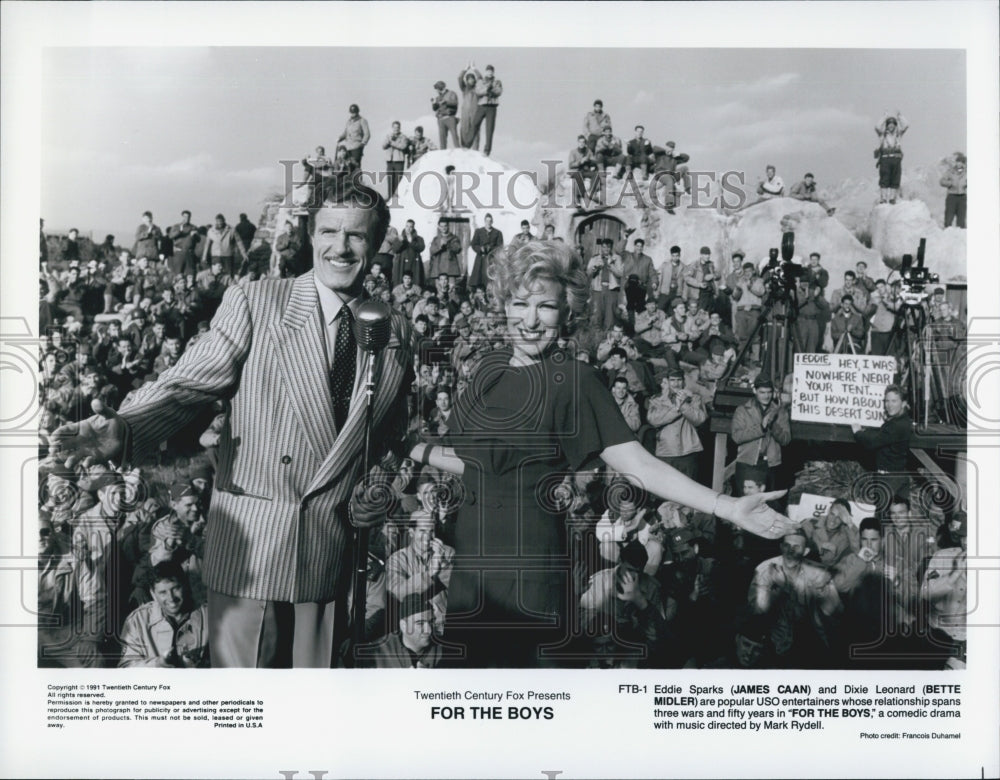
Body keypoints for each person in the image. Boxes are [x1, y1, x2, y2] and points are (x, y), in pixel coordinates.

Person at [50, 175, 413, 668]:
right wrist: (129, 427)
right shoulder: (258, 301)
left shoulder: (394, 329)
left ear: (377, 243)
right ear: (311, 236)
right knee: (244, 720)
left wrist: (378, 490)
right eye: (329, 231)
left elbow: (387, 435)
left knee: (309, 719)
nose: (341, 248)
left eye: (356, 235)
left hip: (328, 559)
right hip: (252, 557)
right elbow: (187, 386)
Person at [406, 240, 796, 667]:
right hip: (471, 575)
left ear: (567, 312)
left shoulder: (573, 380)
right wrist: (414, 448)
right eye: (520, 304)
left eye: (546, 307)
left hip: (530, 576)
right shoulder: (488, 370)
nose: (531, 320)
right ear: (504, 305)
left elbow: (638, 463)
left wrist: (727, 505)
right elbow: (476, 463)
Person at [119, 561, 209, 668]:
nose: (171, 598)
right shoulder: (137, 621)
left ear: (185, 585)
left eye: (175, 588)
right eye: (163, 592)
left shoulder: (207, 615)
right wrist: (158, 665)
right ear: (153, 594)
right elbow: (125, 668)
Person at [385, 511, 454, 635]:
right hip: (415, 630)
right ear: (411, 532)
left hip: (445, 625)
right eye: (422, 531)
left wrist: (443, 564)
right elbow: (398, 593)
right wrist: (429, 574)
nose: (427, 537)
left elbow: (460, 588)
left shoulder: (448, 553)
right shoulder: (397, 559)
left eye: (431, 531)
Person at [850, 384, 912, 511]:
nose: (889, 405)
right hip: (897, 476)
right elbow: (882, 436)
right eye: (887, 401)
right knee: (898, 516)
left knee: (882, 517)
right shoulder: (902, 421)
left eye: (894, 401)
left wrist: (858, 432)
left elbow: (872, 443)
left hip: (890, 479)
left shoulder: (896, 425)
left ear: (904, 403)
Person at [730, 376, 791, 490]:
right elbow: (737, 437)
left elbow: (786, 440)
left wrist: (774, 426)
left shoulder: (780, 412)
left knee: (769, 503)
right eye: (762, 392)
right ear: (754, 391)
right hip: (747, 464)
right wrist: (761, 428)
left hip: (771, 465)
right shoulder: (742, 410)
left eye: (769, 392)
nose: (766, 396)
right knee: (746, 502)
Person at [354, 594, 442, 668]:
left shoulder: (444, 650)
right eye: (420, 623)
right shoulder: (375, 654)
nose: (429, 630)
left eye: (431, 622)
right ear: (403, 625)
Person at [874, 111, 908, 204]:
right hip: (885, 158)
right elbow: (877, 127)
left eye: (893, 124)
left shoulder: (898, 134)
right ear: (887, 125)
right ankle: (883, 198)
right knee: (884, 178)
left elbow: (906, 126)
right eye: (889, 124)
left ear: (895, 125)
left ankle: (893, 198)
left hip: (896, 159)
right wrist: (884, 117)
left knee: (895, 178)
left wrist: (900, 117)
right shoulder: (882, 135)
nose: (891, 126)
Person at [470, 64, 503, 156]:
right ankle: (467, 144)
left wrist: (491, 90)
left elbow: (499, 91)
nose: (490, 73)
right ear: (485, 72)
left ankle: (487, 150)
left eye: (491, 71)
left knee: (489, 129)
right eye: (488, 71)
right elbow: (478, 91)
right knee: (474, 124)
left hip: (492, 106)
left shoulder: (497, 82)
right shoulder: (481, 81)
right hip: (482, 105)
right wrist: (486, 89)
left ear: (493, 72)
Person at [468, 213, 503, 291]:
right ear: (484, 221)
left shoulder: (497, 232)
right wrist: (480, 249)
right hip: (480, 259)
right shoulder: (478, 231)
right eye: (487, 221)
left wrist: (491, 248)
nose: (488, 223)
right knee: (478, 279)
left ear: (492, 222)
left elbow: (500, 246)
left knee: (490, 279)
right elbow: (473, 244)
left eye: (490, 221)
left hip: (492, 260)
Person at [568, 134, 601, 207]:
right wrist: (580, 162)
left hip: (585, 170)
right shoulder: (573, 152)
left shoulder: (588, 151)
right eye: (580, 142)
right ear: (578, 142)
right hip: (576, 170)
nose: (582, 144)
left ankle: (592, 193)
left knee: (596, 174)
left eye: (583, 142)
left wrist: (589, 160)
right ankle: (578, 199)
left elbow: (594, 160)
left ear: (585, 143)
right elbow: (571, 165)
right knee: (578, 177)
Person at [381, 120, 409, 198]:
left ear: (400, 128)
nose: (396, 129)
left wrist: (392, 143)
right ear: (392, 128)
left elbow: (403, 146)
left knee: (398, 181)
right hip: (390, 161)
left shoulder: (403, 137)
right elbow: (383, 146)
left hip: (399, 161)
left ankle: (397, 198)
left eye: (397, 127)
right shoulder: (388, 136)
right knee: (390, 180)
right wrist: (389, 140)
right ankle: (390, 198)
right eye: (394, 127)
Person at [338, 104, 371, 168]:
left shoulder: (362, 120)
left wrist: (362, 143)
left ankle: (357, 177)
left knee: (356, 165)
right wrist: (340, 138)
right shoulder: (349, 121)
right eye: (352, 112)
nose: (353, 114)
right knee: (348, 165)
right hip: (348, 147)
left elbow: (367, 134)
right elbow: (345, 133)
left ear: (357, 112)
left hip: (356, 146)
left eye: (354, 112)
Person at [457, 63, 482, 149]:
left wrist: (474, 69)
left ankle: (475, 150)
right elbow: (460, 79)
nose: (471, 80)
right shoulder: (465, 89)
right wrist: (465, 69)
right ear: (467, 81)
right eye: (469, 79)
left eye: (472, 79)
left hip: (475, 113)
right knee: (464, 130)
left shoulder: (477, 89)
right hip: (465, 114)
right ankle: (463, 149)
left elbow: (480, 79)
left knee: (475, 130)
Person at [939, 154, 967, 228]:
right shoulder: (950, 172)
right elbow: (942, 181)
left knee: (961, 219)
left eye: (962, 162)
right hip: (952, 196)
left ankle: (960, 235)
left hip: (962, 197)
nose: (959, 164)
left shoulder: (966, 173)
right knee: (949, 217)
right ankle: (947, 233)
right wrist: (950, 184)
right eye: (958, 161)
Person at [431, 80, 460, 149]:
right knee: (442, 138)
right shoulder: (438, 98)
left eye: (437, 88)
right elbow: (435, 109)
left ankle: (458, 151)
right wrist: (434, 103)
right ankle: (442, 153)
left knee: (454, 136)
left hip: (450, 117)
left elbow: (455, 102)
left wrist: (446, 102)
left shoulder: (451, 93)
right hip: (441, 119)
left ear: (441, 88)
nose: (436, 90)